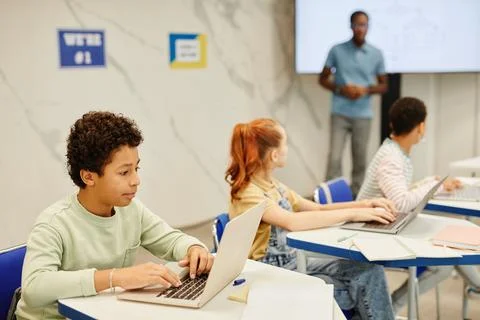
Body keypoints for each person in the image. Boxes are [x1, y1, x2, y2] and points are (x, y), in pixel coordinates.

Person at [16, 111, 214, 319]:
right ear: (88, 177)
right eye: (124, 172)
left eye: (136, 168)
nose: (136, 180)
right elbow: (34, 288)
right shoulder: (53, 223)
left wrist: (193, 248)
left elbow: (172, 240)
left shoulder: (130, 210)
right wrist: (115, 277)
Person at [226, 118, 397, 320]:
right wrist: (353, 214)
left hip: (293, 259)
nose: (287, 149)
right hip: (271, 270)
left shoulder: (273, 184)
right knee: (363, 282)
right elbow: (292, 221)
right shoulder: (249, 193)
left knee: (368, 271)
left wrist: (365, 204)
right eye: (285, 144)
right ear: (274, 155)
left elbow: (317, 208)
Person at [357, 97, 480, 312]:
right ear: (421, 126)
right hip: (375, 230)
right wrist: (436, 186)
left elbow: (401, 189)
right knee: (443, 260)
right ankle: (393, 306)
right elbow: (401, 201)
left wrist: (431, 182)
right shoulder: (391, 158)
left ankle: (478, 285)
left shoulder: (395, 151)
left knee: (448, 239)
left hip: (387, 223)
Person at [319, 10, 388, 196]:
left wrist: (364, 90)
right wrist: (342, 89)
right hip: (340, 112)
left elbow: (384, 85)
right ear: (351, 26)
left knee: (360, 160)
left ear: (368, 27)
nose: (360, 29)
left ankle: (357, 199)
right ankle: (330, 197)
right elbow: (323, 79)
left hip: (363, 114)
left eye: (363, 25)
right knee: (334, 158)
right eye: (357, 25)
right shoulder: (337, 50)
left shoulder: (376, 54)